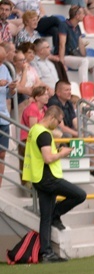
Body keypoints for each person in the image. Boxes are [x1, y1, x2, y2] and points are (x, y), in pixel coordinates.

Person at [22, 105, 87, 263]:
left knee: (45, 218)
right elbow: (48, 158)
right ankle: (56, 215)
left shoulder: (34, 129)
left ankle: (46, 253)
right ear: (51, 117)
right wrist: (62, 153)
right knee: (80, 195)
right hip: (48, 178)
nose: (58, 124)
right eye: (58, 121)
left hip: (38, 178)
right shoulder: (44, 133)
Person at [57, 5, 94, 85]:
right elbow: (62, 44)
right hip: (66, 56)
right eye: (82, 14)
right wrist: (62, 63)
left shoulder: (77, 26)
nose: (84, 16)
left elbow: (80, 44)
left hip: (75, 56)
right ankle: (84, 86)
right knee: (84, 61)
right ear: (77, 16)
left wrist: (88, 61)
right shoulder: (64, 25)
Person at [18, 85, 50, 185]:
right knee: (27, 166)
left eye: (47, 94)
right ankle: (28, 186)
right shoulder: (33, 108)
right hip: (27, 140)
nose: (47, 96)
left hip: (38, 139)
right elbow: (34, 128)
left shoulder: (45, 108)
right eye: (44, 95)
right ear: (36, 97)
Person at [0, 46, 17, 188]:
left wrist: (11, 89)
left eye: (3, 60)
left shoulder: (5, 69)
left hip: (3, 117)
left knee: (2, 155)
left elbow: (9, 94)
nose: (1, 63)